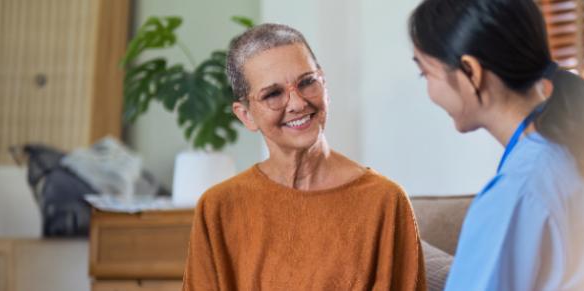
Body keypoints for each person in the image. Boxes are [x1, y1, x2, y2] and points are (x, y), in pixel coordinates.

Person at [182, 23, 426, 291]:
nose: (298, 104)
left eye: (307, 82)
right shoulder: (218, 207)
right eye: (273, 94)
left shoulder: (385, 200)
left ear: (325, 85)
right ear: (246, 115)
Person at [408, 0, 584, 290]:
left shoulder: (519, 190)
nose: (429, 92)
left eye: (426, 74)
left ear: (471, 72)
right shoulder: (575, 155)